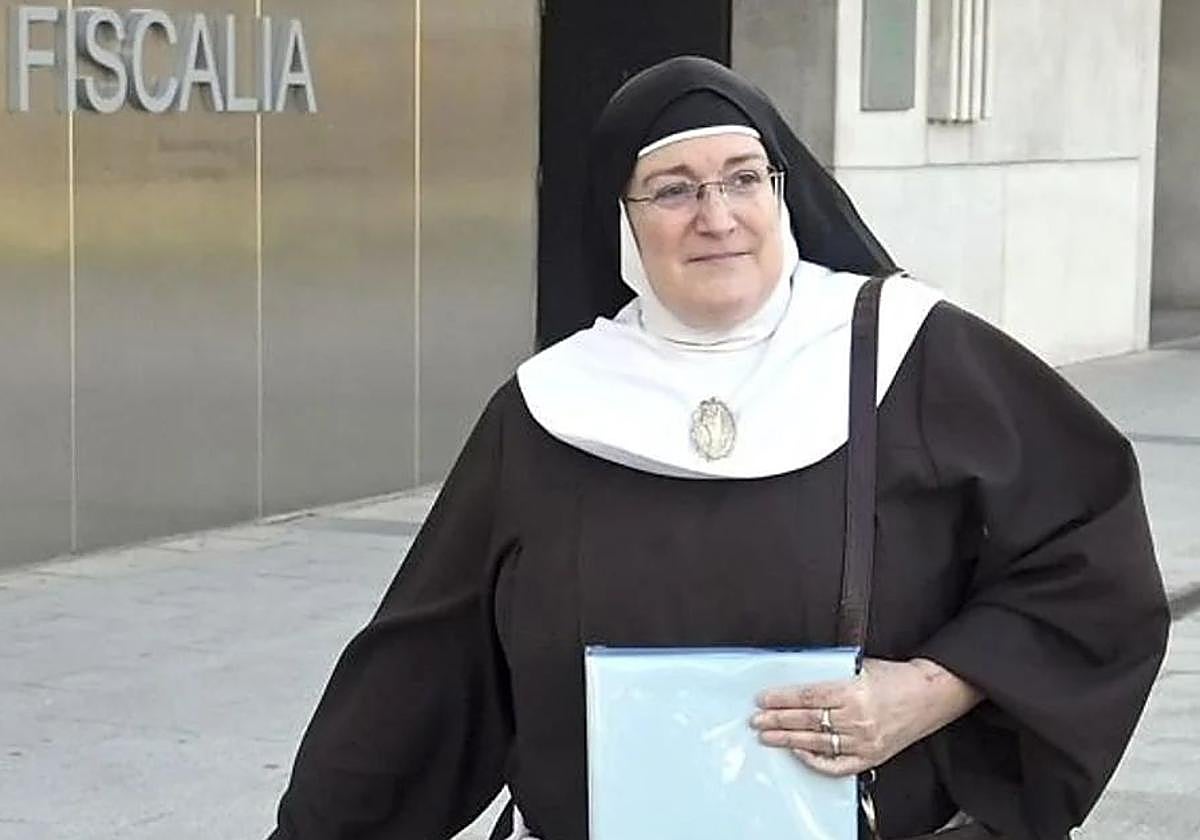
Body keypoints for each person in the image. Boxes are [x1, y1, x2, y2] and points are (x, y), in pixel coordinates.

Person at [266, 56, 1169, 840]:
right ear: (622, 219)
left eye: (743, 178)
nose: (717, 215)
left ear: (782, 192)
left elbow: (1089, 557)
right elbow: (425, 673)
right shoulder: (550, 409)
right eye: (674, 189)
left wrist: (928, 691)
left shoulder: (911, 353)